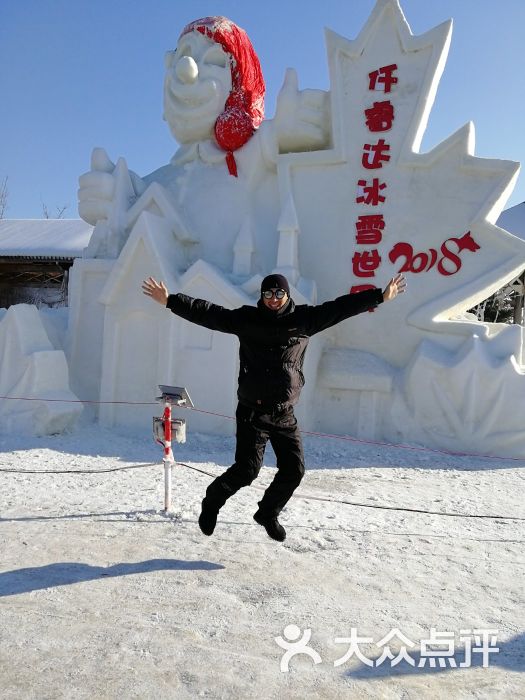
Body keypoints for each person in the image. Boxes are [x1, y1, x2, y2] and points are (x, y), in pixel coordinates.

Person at [142, 273, 406, 542]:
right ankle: (211, 502)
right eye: (268, 294)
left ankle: (268, 512)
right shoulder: (248, 320)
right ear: (262, 296)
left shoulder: (304, 320)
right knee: (246, 471)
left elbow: (340, 308)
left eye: (278, 294)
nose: (273, 300)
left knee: (294, 470)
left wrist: (379, 296)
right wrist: (171, 301)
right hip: (252, 411)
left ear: (287, 295)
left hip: (284, 413)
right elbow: (211, 314)